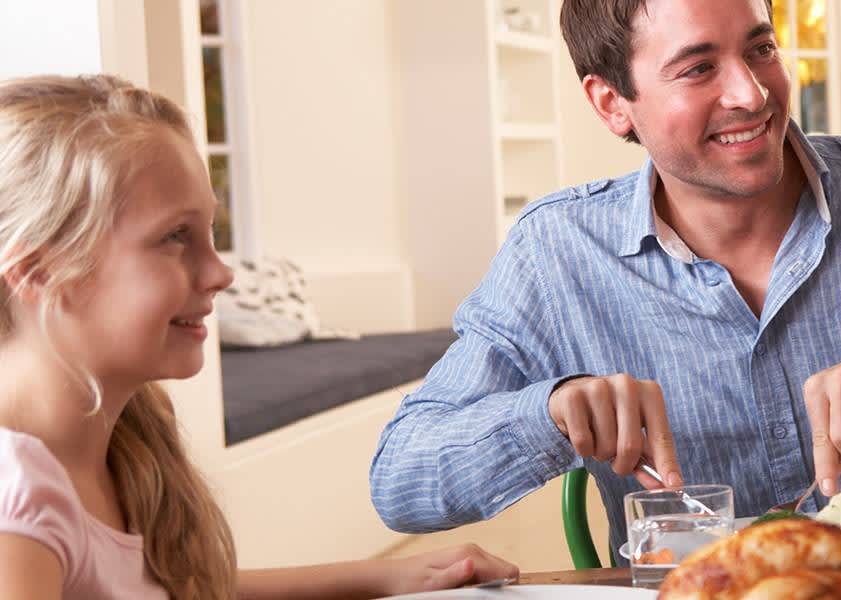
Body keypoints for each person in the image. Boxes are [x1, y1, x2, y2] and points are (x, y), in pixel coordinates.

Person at [368, 0, 841, 559]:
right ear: (611, 103)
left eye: (761, 49)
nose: (751, 94)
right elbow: (402, 480)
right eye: (697, 68)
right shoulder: (556, 253)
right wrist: (549, 414)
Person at [0, 74, 518, 599]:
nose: (221, 273)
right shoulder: (17, 497)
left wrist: (388, 576)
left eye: (211, 234)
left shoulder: (121, 444)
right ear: (41, 273)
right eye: (175, 236)